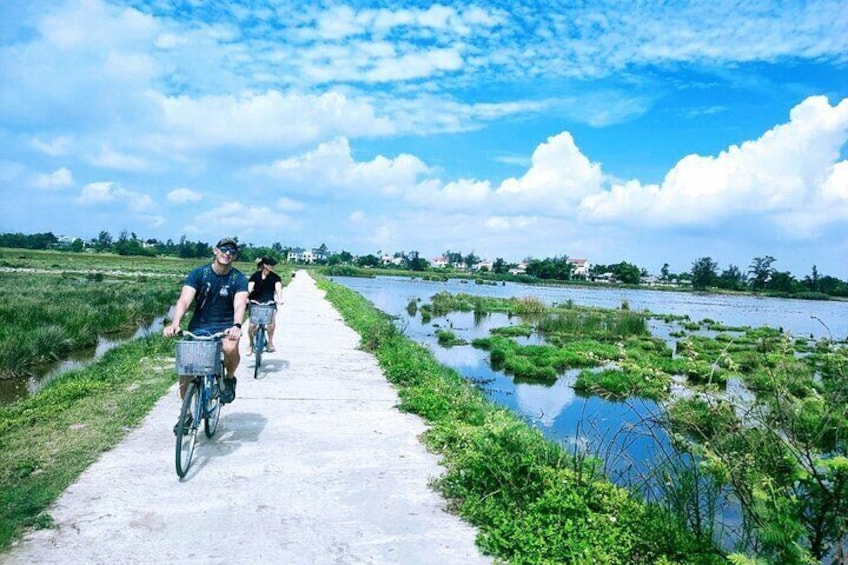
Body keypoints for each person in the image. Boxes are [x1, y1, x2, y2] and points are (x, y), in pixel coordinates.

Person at [163, 237, 248, 407]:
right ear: (215, 250)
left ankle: (230, 379)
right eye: (224, 249)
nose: (227, 254)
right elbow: (184, 300)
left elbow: (240, 304)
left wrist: (237, 325)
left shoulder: (238, 279)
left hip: (225, 327)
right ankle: (185, 412)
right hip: (199, 326)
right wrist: (175, 323)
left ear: (235, 256)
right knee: (187, 368)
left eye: (232, 251)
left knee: (230, 347)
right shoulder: (199, 274)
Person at [247, 256, 283, 355]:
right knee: (252, 325)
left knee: (271, 322)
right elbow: (250, 288)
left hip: (269, 303)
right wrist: (247, 297)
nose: (272, 266)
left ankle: (270, 342)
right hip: (255, 302)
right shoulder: (255, 276)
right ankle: (250, 344)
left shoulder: (275, 277)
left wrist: (279, 299)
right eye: (271, 264)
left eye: (273, 265)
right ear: (265, 265)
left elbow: (278, 288)